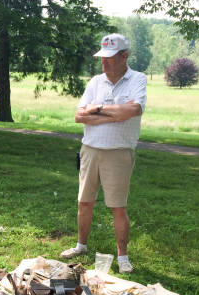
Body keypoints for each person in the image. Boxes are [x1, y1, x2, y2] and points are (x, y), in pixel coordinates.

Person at [60, 33, 147, 274]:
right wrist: (113, 112)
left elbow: (131, 111)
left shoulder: (137, 79)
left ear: (124, 56)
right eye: (102, 57)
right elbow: (79, 116)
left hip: (119, 153)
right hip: (90, 149)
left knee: (117, 206)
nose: (104, 62)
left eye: (110, 57)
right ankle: (81, 245)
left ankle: (123, 257)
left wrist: (97, 109)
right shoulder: (95, 82)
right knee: (84, 202)